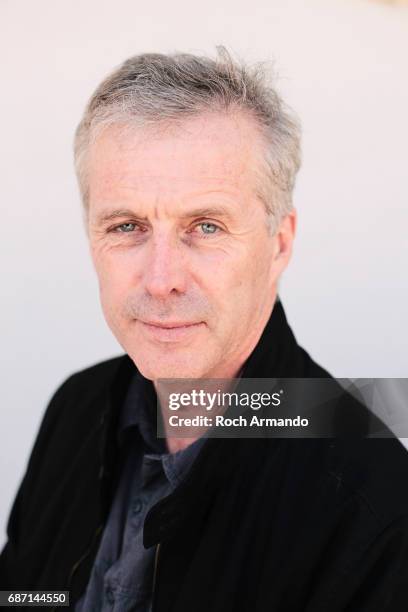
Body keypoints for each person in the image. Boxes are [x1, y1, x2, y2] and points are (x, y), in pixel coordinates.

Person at [1, 47, 408, 611]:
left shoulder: (374, 508)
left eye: (206, 226)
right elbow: (26, 594)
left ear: (279, 243)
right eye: (127, 226)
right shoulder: (78, 407)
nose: (161, 279)